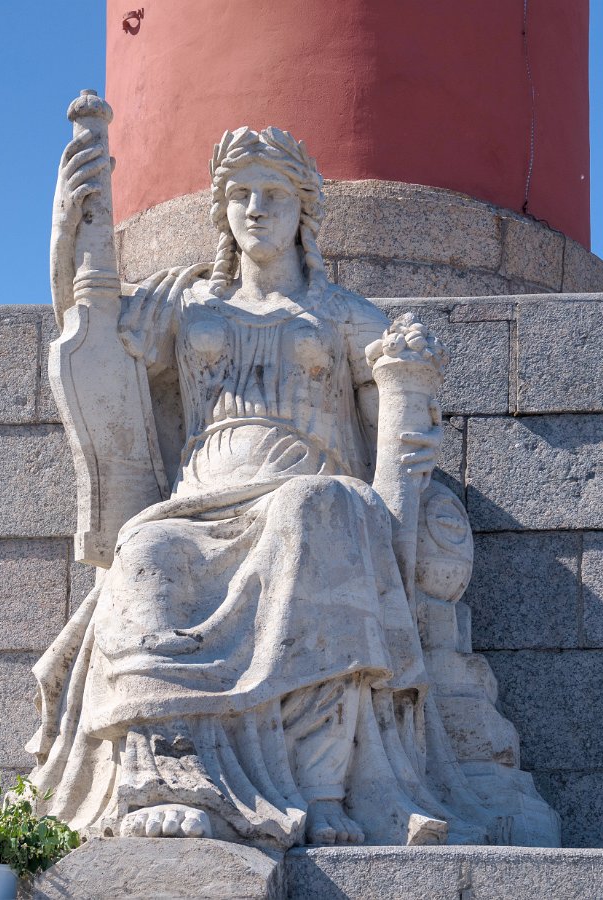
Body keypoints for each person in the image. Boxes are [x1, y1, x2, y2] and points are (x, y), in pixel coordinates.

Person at [31, 124, 499, 849]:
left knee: (316, 509)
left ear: (303, 211)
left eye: (273, 194)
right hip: (197, 502)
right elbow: (88, 320)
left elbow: (399, 429)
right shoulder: (184, 304)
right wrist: (71, 227)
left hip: (306, 495)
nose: (255, 208)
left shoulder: (345, 316)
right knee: (147, 551)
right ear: (221, 212)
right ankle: (171, 780)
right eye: (240, 194)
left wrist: (407, 380)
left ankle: (324, 786)